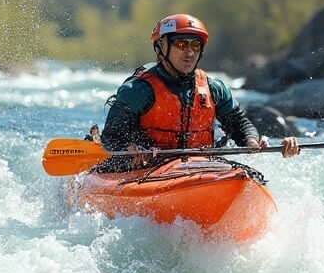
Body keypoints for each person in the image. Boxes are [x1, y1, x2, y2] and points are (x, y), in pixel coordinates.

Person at [100, 13, 299, 167]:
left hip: (200, 168)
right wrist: (129, 148)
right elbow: (111, 136)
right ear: (161, 48)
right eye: (181, 44)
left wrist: (252, 142)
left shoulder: (214, 88)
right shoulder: (138, 90)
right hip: (147, 168)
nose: (189, 52)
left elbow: (240, 124)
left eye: (195, 45)